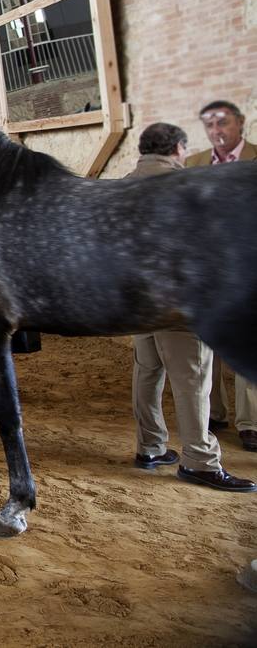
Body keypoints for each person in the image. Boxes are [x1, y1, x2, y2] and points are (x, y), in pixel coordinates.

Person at [126, 122, 253, 491]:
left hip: (136, 300)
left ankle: (150, 447)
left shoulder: (122, 185)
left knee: (147, 372)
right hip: (179, 303)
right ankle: (199, 460)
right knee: (193, 380)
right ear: (178, 149)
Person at [185, 100, 257, 452]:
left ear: (240, 123)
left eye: (223, 123)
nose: (216, 131)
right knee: (208, 344)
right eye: (210, 125)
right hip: (209, 271)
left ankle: (251, 423)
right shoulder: (194, 164)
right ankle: (214, 411)